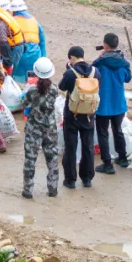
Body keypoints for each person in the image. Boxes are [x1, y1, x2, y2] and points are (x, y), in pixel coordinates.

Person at [93, 32, 132, 174]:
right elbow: (128, 78)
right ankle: (122, 158)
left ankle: (107, 163)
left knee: (103, 132)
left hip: (103, 105)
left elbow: (91, 73)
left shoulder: (100, 63)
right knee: (118, 130)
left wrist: (100, 56)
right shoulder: (122, 63)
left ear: (105, 45)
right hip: (118, 104)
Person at [21, 57, 59, 199]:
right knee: (52, 158)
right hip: (50, 128)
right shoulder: (55, 89)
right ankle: (53, 189)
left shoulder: (32, 91)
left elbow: (24, 103)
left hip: (33, 128)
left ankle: (28, 190)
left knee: (30, 159)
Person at [58, 46, 95, 188]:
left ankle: (70, 180)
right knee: (88, 147)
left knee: (71, 147)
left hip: (72, 115)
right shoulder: (94, 72)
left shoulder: (70, 73)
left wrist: (67, 70)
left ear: (72, 57)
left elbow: (62, 87)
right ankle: (87, 179)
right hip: (89, 115)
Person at [9, 0, 46, 84]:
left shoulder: (12, 21)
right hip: (35, 54)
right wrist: (43, 58)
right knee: (32, 81)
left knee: (14, 80)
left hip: (19, 54)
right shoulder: (34, 21)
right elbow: (42, 42)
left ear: (13, 11)